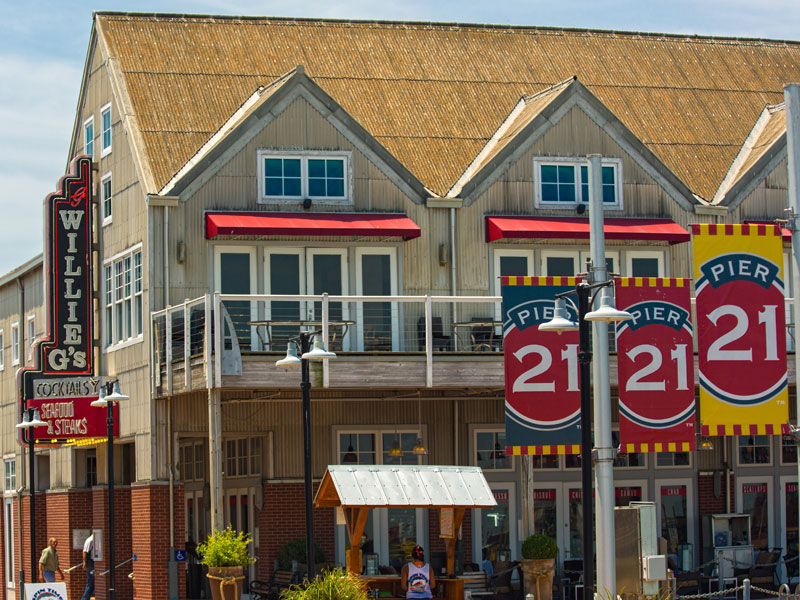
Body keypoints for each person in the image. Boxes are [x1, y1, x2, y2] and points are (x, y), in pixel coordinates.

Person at [81, 532, 94, 600]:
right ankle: (85, 598)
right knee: (91, 582)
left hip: (94, 562)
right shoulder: (90, 540)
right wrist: (85, 563)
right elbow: (85, 552)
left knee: (93, 582)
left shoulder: (96, 539)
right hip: (90, 562)